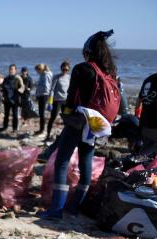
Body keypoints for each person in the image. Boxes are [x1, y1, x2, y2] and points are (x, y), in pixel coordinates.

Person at [39, 30, 119, 219]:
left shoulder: (83, 69)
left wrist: (65, 115)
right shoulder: (110, 72)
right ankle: (74, 207)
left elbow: (72, 98)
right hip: (96, 125)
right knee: (86, 162)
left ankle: (56, 210)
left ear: (87, 51)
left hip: (79, 121)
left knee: (62, 161)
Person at [46, 61, 71, 141]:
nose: (65, 71)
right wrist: (50, 102)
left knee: (66, 120)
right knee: (52, 118)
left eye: (66, 70)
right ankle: (48, 135)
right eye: (63, 69)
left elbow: (71, 90)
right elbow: (52, 90)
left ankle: (64, 136)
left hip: (66, 101)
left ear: (68, 70)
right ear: (61, 69)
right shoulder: (56, 77)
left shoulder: (69, 77)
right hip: (57, 101)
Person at [0, 64, 24, 132]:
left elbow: (22, 87)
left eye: (12, 69)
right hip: (7, 99)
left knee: (15, 115)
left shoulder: (18, 78)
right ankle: (5, 127)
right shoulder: (6, 78)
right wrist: (1, 89)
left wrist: (19, 92)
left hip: (15, 99)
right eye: (10, 69)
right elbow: (2, 87)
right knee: (6, 115)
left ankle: (15, 129)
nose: (11, 70)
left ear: (15, 70)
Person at [34, 64, 53, 135]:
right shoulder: (42, 74)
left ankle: (42, 129)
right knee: (41, 113)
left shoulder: (46, 75)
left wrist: (48, 97)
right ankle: (41, 129)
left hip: (44, 95)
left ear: (40, 69)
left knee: (41, 113)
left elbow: (46, 86)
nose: (37, 73)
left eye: (37, 71)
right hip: (41, 94)